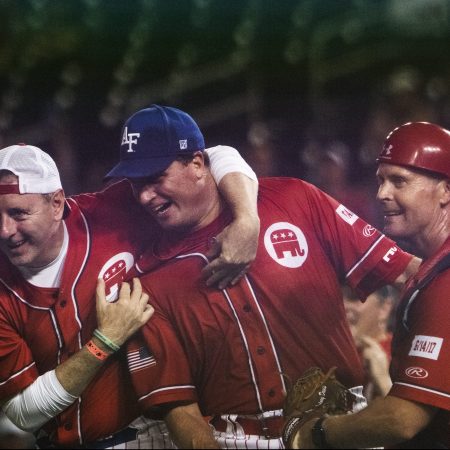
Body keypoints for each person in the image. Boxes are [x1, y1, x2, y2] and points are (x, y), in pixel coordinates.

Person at [101, 105, 421, 449]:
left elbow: (408, 273)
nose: (145, 196)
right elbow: (182, 412)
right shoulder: (147, 280)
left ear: (197, 164)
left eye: (154, 178)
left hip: (341, 428)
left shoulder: (296, 199)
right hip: (239, 440)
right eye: (135, 185)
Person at [0, 140, 260, 448]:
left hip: (182, 425)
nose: (5, 230)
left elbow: (215, 156)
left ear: (57, 204)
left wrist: (247, 218)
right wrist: (104, 342)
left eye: (18, 213)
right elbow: (22, 414)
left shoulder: (108, 210)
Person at [291, 121, 450, 449]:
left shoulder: (445, 279)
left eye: (399, 181)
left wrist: (315, 433)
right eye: (380, 180)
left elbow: (403, 419)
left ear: (446, 190)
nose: (382, 194)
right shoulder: (430, 270)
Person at [343, 285, 397, 400]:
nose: (342, 306)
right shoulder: (327, 354)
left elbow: (408, 417)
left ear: (384, 309)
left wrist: (384, 381)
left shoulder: (403, 357)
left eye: (354, 297)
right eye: (338, 298)